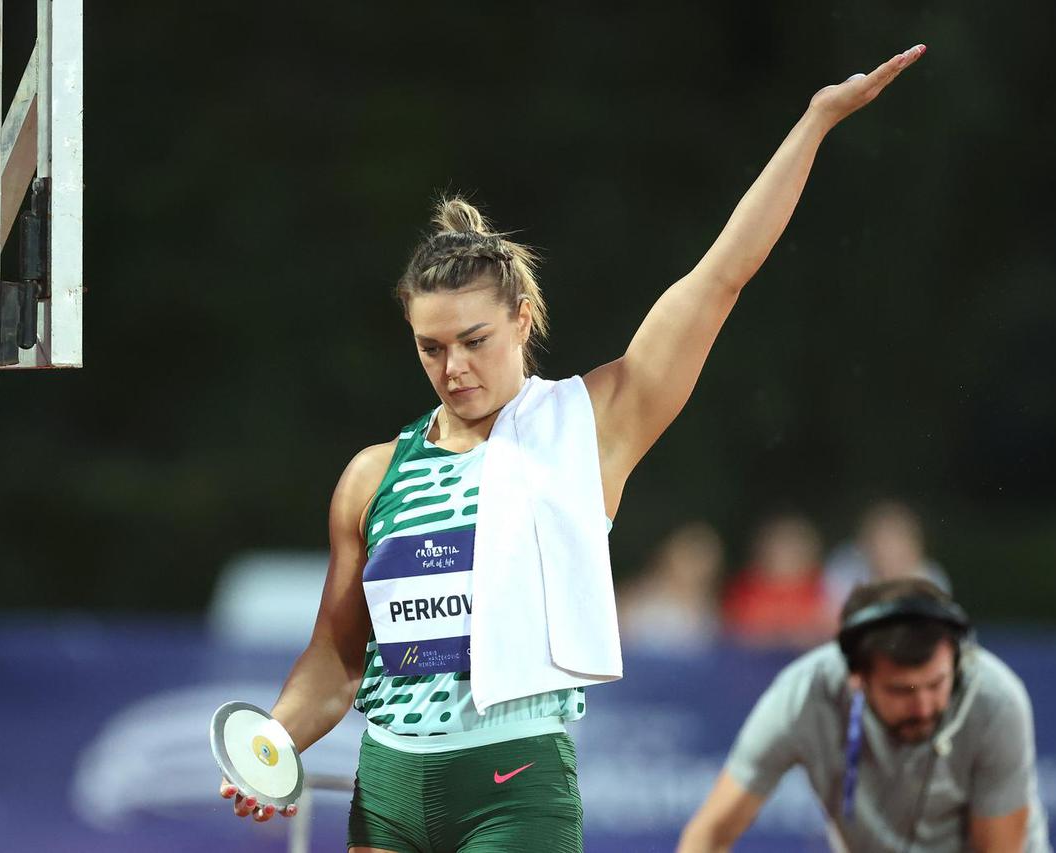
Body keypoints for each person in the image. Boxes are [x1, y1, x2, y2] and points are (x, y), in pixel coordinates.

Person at [219, 44, 931, 852]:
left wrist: (816, 121)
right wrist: (269, 742)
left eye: (474, 340)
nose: (453, 368)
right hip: (385, 788)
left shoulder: (587, 424)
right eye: (430, 347)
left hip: (513, 785)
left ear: (521, 318)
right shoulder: (371, 476)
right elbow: (335, 662)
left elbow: (721, 276)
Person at [680, 578, 1050, 853]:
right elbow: (708, 836)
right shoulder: (802, 696)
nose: (924, 707)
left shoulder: (996, 701)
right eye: (901, 690)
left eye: (936, 684)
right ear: (857, 678)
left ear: (955, 658)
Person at [722, 513, 836, 649]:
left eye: (794, 545)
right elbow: (736, 634)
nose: (786, 553)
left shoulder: (826, 588)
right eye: (779, 545)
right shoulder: (742, 591)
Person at [825, 500, 952, 618]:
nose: (887, 553)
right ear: (864, 546)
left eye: (895, 545)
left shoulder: (930, 580)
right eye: (880, 543)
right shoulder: (844, 570)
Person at [618, 521, 725, 656]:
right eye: (689, 557)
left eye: (702, 559)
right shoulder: (635, 599)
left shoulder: (711, 615)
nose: (694, 569)